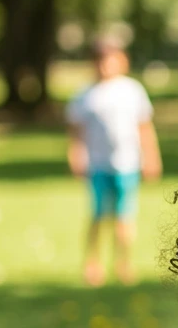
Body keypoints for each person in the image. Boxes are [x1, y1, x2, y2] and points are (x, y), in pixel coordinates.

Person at [66, 40, 162, 285]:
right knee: (98, 215)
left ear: (122, 61)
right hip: (98, 165)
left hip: (127, 164)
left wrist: (151, 156)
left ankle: (123, 263)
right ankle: (92, 263)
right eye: (100, 61)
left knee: (124, 216)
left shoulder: (132, 91)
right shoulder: (85, 95)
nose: (105, 66)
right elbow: (76, 132)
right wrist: (76, 155)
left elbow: (144, 127)